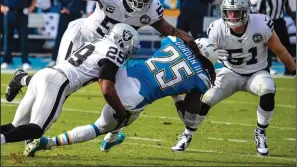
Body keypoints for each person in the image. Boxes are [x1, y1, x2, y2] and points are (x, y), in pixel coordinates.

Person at [5, 0, 201, 103]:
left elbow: (171, 31)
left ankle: (23, 80)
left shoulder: (151, 10)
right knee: (57, 84)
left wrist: (194, 44)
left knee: (68, 88)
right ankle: (22, 80)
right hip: (81, 37)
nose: (141, 1)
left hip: (104, 51)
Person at [23, 36, 218, 156]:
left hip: (126, 72)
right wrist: (177, 97)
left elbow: (171, 48)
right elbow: (188, 117)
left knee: (86, 83)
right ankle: (48, 142)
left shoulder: (175, 42)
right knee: (100, 125)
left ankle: (113, 135)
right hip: (137, 94)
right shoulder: (201, 78)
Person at [171, 0, 296, 156]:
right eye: (228, 12)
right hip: (230, 72)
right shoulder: (217, 29)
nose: (231, 16)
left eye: (235, 12)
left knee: (268, 89)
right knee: (207, 99)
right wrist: (210, 59)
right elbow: (204, 57)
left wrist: (293, 69)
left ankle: (260, 133)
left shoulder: (261, 24)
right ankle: (187, 134)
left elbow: (279, 49)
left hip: (256, 72)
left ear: (246, 11)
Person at [0, 23, 141, 146]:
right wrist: (122, 112)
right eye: (130, 47)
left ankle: (22, 79)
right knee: (36, 129)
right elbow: (107, 89)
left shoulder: (98, 43)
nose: (129, 51)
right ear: (122, 40)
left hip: (45, 74)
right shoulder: (114, 53)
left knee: (14, 127)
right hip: (56, 82)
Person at [49, 0, 89, 67]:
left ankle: (75, 61)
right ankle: (54, 59)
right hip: (65, 12)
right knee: (61, 36)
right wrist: (61, 8)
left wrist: (82, 10)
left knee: (78, 37)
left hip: (77, 13)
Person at [0, 0, 38, 71]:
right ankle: (6, 60)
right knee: (7, 38)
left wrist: (31, 8)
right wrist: (1, 7)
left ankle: (25, 61)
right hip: (9, 13)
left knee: (23, 39)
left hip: (23, 14)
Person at [257, 0, 296, 75]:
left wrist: (294, 18)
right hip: (268, 23)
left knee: (286, 46)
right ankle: (268, 68)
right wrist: (260, 25)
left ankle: (289, 69)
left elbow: (286, 7)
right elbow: (259, 12)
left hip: (280, 22)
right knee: (268, 46)